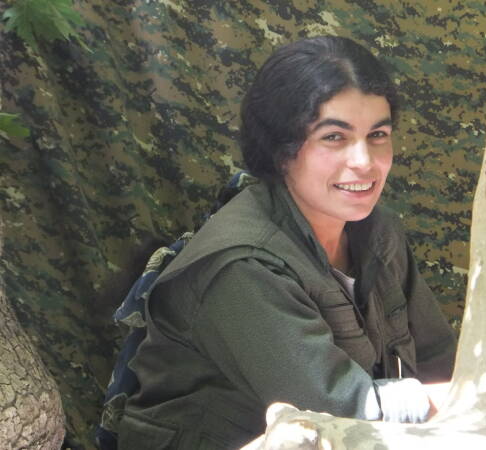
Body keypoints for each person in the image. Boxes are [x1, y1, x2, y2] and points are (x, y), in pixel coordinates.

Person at [117, 36, 457, 449]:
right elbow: (340, 412)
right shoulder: (242, 267)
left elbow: (439, 360)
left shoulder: (378, 232)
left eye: (378, 134)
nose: (365, 161)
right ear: (281, 149)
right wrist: (465, 402)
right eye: (334, 137)